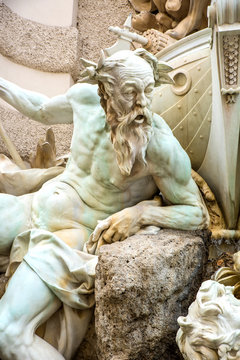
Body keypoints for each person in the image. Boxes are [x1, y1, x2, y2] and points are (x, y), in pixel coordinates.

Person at [0, 48, 209, 360]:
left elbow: (197, 213)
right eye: (130, 92)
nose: (142, 103)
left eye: (149, 91)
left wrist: (141, 213)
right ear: (106, 91)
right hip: (32, 207)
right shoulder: (84, 100)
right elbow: (39, 107)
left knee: (7, 332)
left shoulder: (158, 145)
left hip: (70, 240)